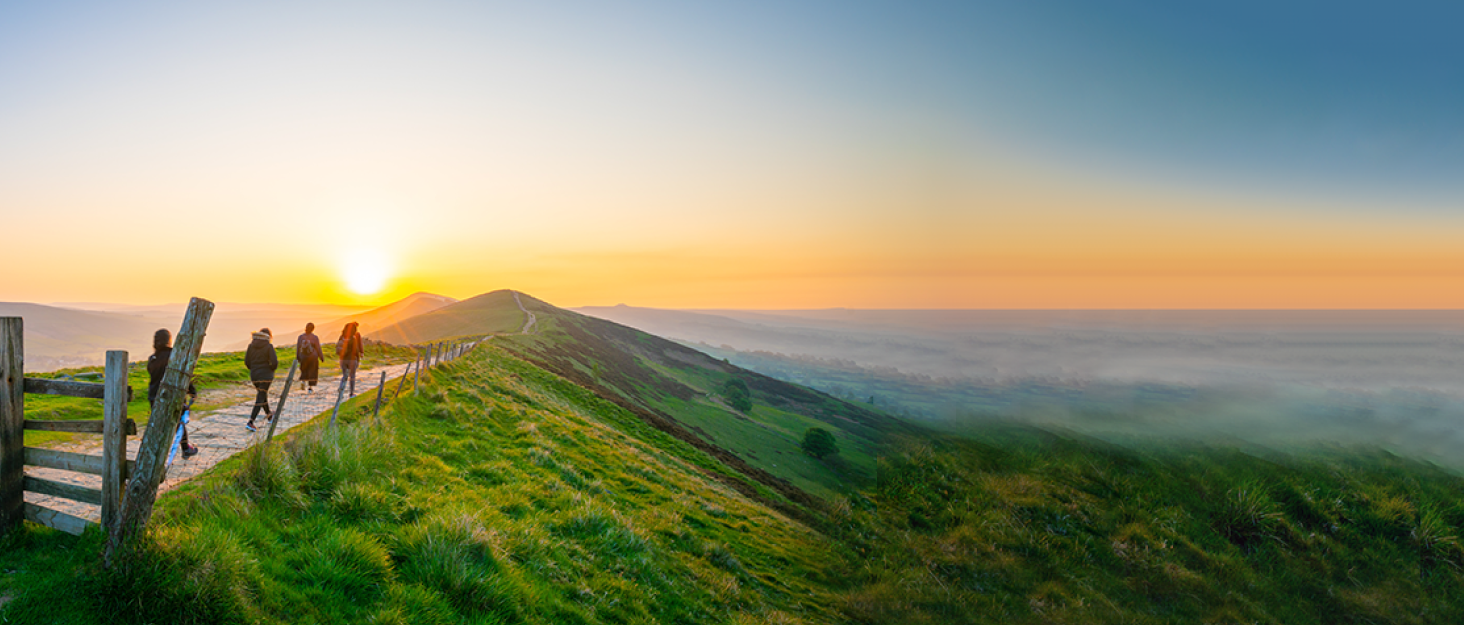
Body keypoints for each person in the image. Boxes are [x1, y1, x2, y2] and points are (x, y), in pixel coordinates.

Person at [148, 329, 198, 458]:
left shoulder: (152, 359)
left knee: (158, 425)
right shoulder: (174, 355)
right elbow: (183, 375)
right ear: (169, 340)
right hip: (173, 395)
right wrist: (192, 391)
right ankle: (186, 448)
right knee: (178, 423)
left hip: (154, 397)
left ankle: (154, 454)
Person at [244, 327, 278, 432]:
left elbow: (247, 362)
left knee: (262, 395)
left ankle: (269, 416)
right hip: (266, 375)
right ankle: (251, 421)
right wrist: (270, 370)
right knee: (260, 397)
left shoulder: (251, 346)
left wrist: (254, 369)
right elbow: (274, 363)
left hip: (254, 375)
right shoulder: (268, 346)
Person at [295, 322, 326, 393]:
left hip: (303, 357)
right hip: (313, 357)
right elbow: (318, 348)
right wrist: (321, 357)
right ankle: (310, 388)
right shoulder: (314, 337)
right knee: (312, 372)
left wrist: (298, 357)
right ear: (313, 329)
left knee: (304, 370)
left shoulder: (300, 337)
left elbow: (298, 348)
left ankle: (303, 381)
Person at [336, 321, 365, 397]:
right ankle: (351, 393)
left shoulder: (341, 337)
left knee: (344, 375)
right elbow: (355, 350)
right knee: (352, 376)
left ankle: (341, 390)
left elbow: (338, 348)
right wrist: (358, 359)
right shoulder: (353, 338)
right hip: (352, 360)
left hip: (343, 360)